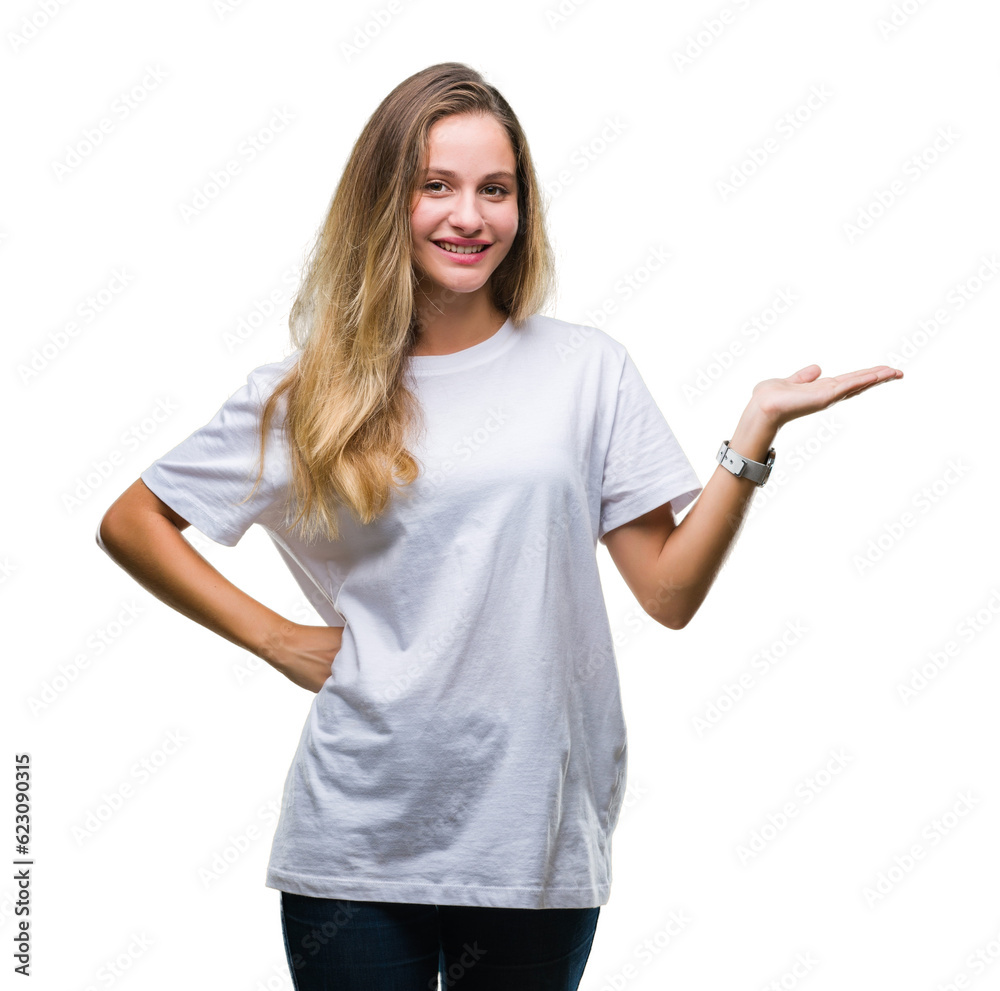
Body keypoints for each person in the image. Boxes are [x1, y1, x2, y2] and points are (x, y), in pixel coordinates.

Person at [96, 62, 902, 991]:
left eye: (496, 189)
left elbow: (670, 592)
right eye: (434, 186)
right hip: (361, 836)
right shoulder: (309, 391)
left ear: (524, 207)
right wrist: (281, 640)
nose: (468, 216)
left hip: (539, 833)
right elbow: (135, 521)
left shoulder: (586, 370)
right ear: (384, 201)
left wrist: (752, 433)